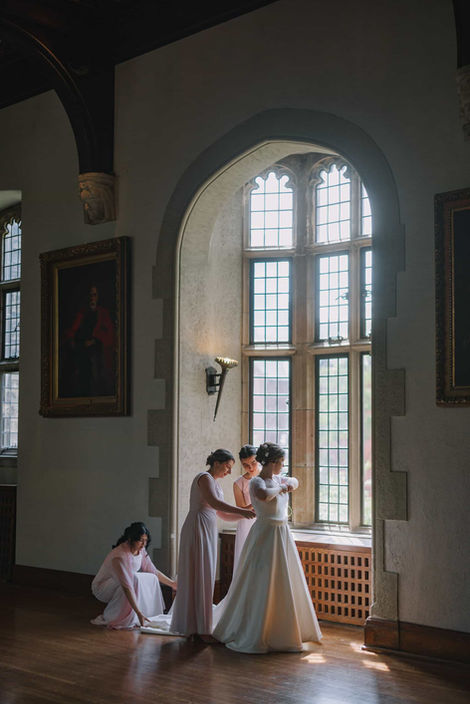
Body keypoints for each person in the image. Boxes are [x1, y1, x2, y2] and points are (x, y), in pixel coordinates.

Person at [213, 442, 322, 653]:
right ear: (272, 462)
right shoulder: (256, 482)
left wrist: (287, 483)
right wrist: (282, 487)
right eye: (281, 462)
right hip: (265, 532)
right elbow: (264, 495)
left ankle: (283, 630)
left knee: (284, 579)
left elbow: (295, 481)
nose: (283, 465)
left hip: (282, 533)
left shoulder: (278, 479)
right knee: (261, 578)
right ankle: (256, 630)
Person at [169, 449, 256, 642]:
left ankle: (199, 626)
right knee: (198, 574)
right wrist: (244, 511)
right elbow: (215, 503)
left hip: (207, 528)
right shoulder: (204, 478)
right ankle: (199, 629)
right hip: (197, 528)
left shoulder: (215, 484)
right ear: (217, 462)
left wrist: (248, 511)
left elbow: (223, 514)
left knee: (205, 575)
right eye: (228, 466)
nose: (229, 471)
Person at [91, 522, 177, 629]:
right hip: (103, 587)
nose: (144, 544)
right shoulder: (119, 556)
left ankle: (149, 613)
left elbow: (153, 571)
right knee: (135, 578)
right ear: (131, 539)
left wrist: (172, 584)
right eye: (141, 540)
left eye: (146, 541)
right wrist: (138, 612)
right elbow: (127, 586)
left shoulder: (141, 550)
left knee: (151, 577)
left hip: (125, 582)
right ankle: (116, 617)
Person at [64, 283, 115, 397]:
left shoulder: (103, 313)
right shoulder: (82, 313)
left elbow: (109, 335)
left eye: (94, 295)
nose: (92, 298)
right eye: (90, 295)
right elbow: (72, 332)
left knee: (96, 376)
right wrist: (74, 343)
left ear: (98, 297)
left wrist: (94, 341)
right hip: (81, 350)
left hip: (97, 351)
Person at [232, 444, 259, 575]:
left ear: (258, 459)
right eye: (245, 465)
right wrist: (257, 502)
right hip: (246, 523)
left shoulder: (266, 477)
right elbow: (241, 509)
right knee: (246, 560)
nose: (250, 467)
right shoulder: (239, 483)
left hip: (263, 521)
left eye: (253, 462)